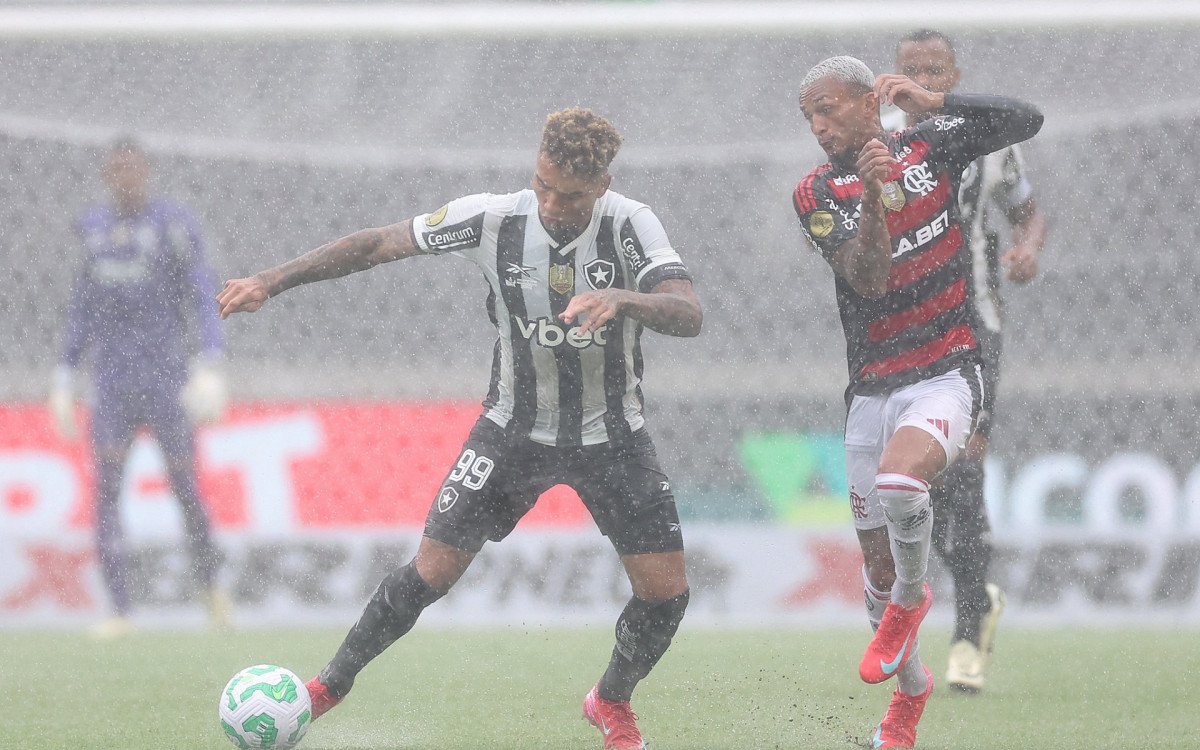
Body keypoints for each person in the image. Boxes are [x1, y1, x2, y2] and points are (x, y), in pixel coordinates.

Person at [217, 107, 702, 750]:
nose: (554, 204)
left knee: (666, 594)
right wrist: (269, 281)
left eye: (573, 195)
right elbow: (376, 244)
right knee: (431, 571)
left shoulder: (631, 223)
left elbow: (689, 312)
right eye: (544, 185)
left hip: (612, 437)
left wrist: (625, 299)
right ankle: (326, 687)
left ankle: (610, 700)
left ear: (603, 185)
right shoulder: (493, 218)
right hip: (510, 431)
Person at [791, 57, 1042, 748]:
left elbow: (1028, 120)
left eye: (828, 110)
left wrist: (939, 96)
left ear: (869, 100)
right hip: (872, 388)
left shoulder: (934, 143)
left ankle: (914, 598)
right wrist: (873, 196)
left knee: (903, 484)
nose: (817, 127)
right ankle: (908, 701)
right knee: (873, 578)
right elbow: (869, 279)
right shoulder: (814, 192)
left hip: (947, 369)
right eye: (808, 116)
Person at [888, 29, 1049, 694]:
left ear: (952, 73)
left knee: (963, 470)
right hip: (901, 331)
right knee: (910, 484)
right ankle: (927, 618)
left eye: (935, 70)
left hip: (974, 327)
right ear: (893, 77)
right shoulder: (882, 142)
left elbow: (1028, 210)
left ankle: (969, 623)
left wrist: (1028, 246)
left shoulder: (992, 139)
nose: (923, 79)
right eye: (912, 69)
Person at [49, 138, 230, 639]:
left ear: (146, 172)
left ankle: (212, 591)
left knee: (185, 489)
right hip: (112, 385)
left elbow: (200, 292)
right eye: (117, 169)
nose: (126, 178)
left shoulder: (171, 225)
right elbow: (82, 306)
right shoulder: (92, 229)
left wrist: (209, 361)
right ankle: (120, 609)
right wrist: (65, 376)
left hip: (166, 380)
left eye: (134, 169)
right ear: (108, 175)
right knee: (107, 492)